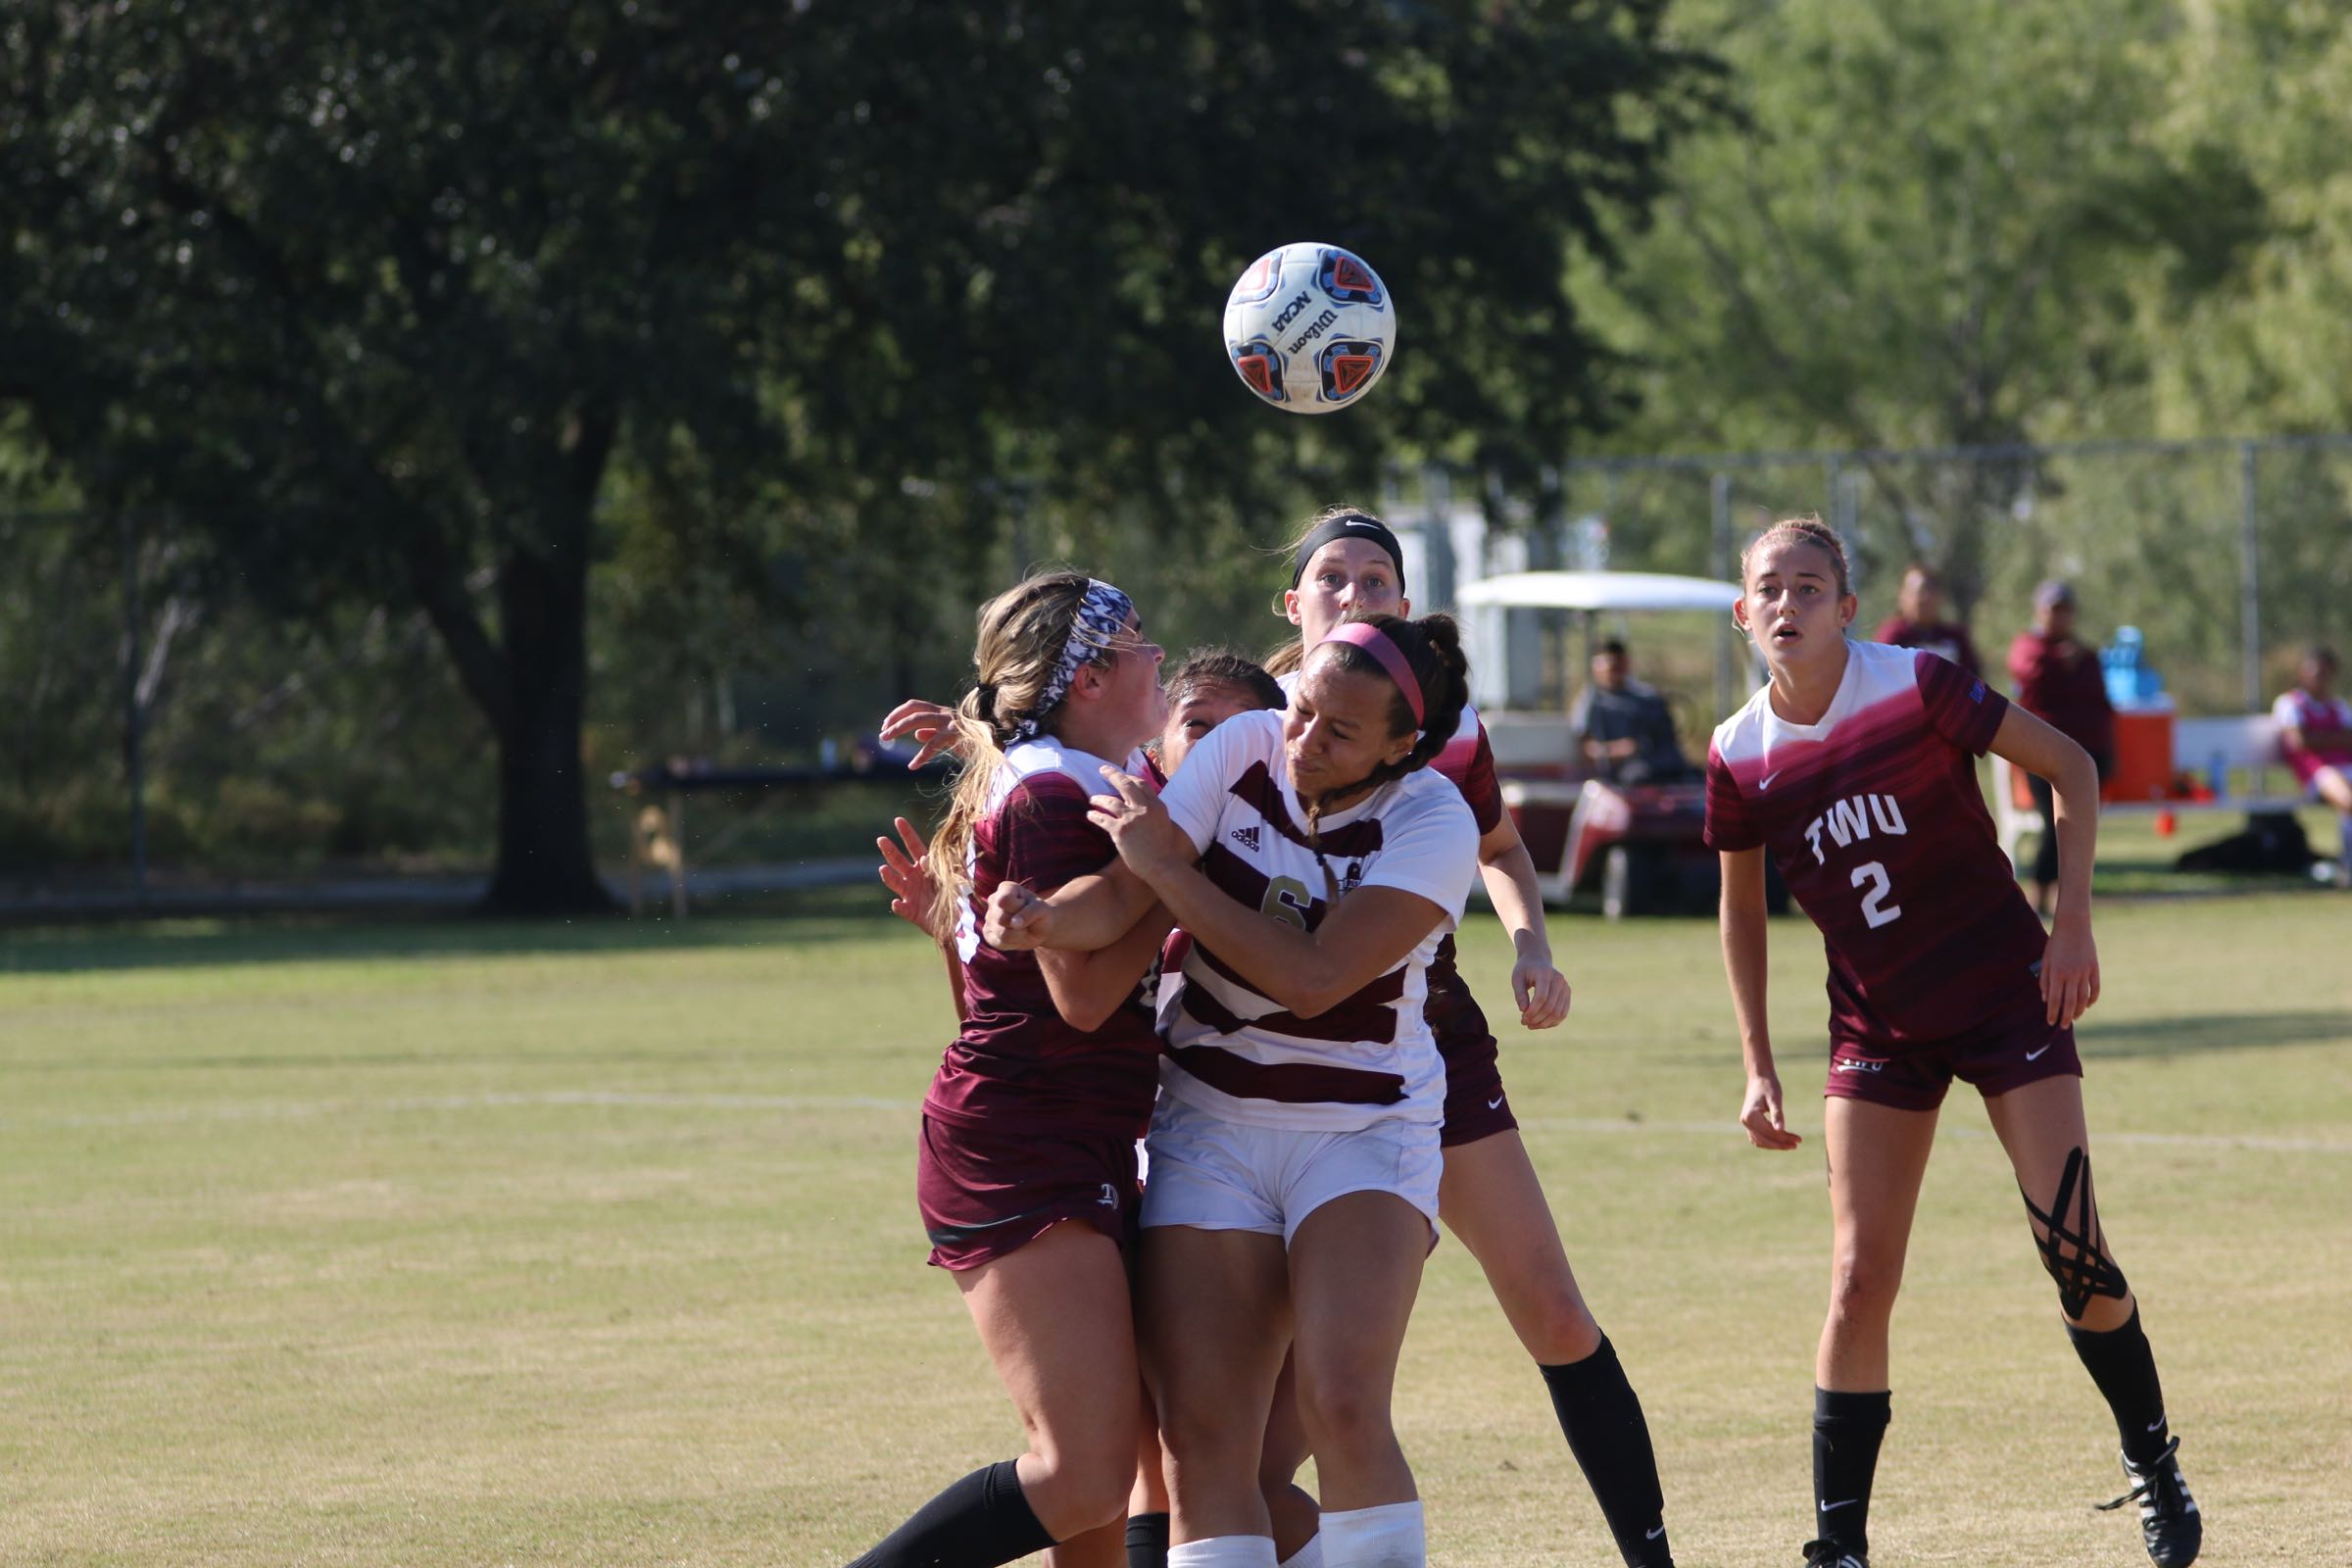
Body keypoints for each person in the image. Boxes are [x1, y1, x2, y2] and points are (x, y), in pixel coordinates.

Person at [1706, 517, 2201, 1568]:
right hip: (1878, 1024)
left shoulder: (1915, 684)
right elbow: (1741, 914)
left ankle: (2152, 1458)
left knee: (2076, 1255)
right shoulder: (1736, 753)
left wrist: (2070, 925)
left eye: (1810, 586)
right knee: (1856, 1278)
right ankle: (1840, 1543)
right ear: (1742, 613)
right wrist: (1756, 1059)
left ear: (1848, 607)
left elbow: (2069, 766)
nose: (1787, 604)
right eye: (1768, 589)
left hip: (2004, 998)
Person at [989, 612, 1480, 1568]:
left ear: (1401, 746)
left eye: (1340, 732)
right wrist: (1045, 919)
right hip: (1208, 1126)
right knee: (1205, 1443)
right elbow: (1126, 893)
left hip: (1360, 1128)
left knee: (1341, 1401)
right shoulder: (1246, 743)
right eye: (1301, 711)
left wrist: (1170, 867)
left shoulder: (1433, 819)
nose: (1302, 739)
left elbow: (1312, 978)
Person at [1266, 508, 1677, 1568]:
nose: (1354, 593)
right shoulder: (1242, 720)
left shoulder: (1444, 726)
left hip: (1429, 1041)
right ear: (1293, 605)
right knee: (1260, 1418)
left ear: (1404, 604)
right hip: (1269, 1068)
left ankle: (1652, 1556)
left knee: (1550, 1305)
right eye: (1332, 577)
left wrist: (1532, 942)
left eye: (1375, 578)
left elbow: (1497, 844)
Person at [878, 647, 1321, 1568]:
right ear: (1157, 738)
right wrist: (973, 931)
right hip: (1088, 1157)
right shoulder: (1116, 832)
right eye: (1192, 726)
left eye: (1235, 736)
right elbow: (1060, 999)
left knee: (1214, 1473)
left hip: (1236, 1172)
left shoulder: (1253, 854)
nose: (1209, 751)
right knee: (1124, 1469)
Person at [842, 571, 1172, 1568]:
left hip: (1063, 1128)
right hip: (1025, 1142)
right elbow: (1080, 995)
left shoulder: (1059, 773)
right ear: (1092, 676)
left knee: (1099, 1498)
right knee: (1081, 1472)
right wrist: (1177, 883)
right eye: (1143, 642)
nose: (1161, 658)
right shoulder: (1053, 793)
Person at [2007, 580, 2115, 917]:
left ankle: (2065, 899)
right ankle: (2038, 893)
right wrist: (2058, 661)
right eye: (2053, 610)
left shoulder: (2086, 655)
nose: (2059, 617)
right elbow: (2027, 672)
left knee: (2076, 829)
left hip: (2087, 756)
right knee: (2055, 825)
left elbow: (2100, 704)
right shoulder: (2029, 646)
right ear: (2039, 612)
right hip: (2042, 755)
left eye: (2065, 610)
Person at [2272, 645, 2352, 885]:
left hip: (2345, 767)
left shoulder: (2337, 705)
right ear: (2303, 673)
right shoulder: (2291, 703)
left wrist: (2320, 738)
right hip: (2317, 773)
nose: (2319, 679)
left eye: (2325, 674)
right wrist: (2335, 738)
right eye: (2315, 673)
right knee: (2348, 800)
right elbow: (2300, 742)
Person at [1567, 637, 1690, 783]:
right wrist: (1617, 750)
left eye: (1620, 665)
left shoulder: (1646, 696)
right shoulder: (1590, 702)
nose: (1616, 672)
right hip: (1623, 773)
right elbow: (1585, 749)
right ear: (1596, 667)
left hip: (1663, 763)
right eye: (1611, 667)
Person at [1871, 564, 1982, 676]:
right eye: (1915, 592)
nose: (1922, 599)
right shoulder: (1894, 635)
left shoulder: (1955, 638)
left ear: (1940, 596)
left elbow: (1975, 683)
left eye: (1929, 590)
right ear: (1901, 596)